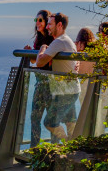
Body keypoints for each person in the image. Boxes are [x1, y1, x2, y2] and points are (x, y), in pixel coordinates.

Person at [30, 13, 80, 143]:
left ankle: (67, 143)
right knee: (70, 122)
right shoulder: (66, 40)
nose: (47, 27)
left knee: (50, 122)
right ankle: (71, 147)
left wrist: (42, 48)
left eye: (50, 24)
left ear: (59, 25)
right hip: (69, 89)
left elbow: (40, 62)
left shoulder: (59, 41)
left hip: (67, 91)